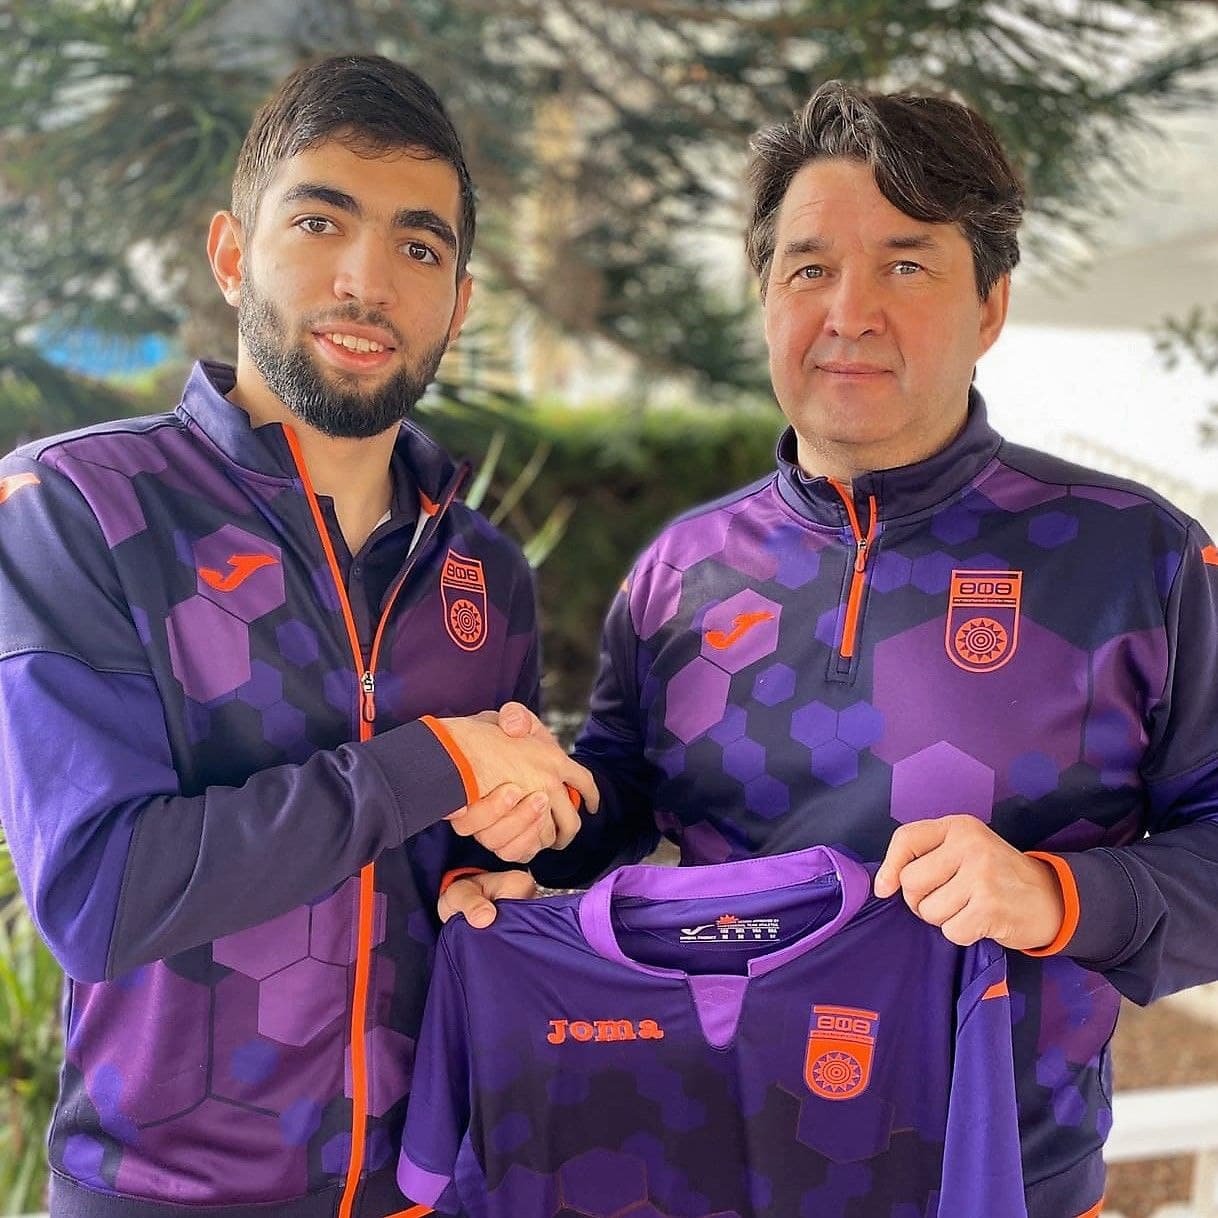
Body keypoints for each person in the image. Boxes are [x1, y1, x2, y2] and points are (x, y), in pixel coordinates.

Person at [447, 81, 1218, 1217]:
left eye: (906, 264)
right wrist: (539, 832)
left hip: (1002, 1183)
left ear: (991, 305)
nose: (850, 311)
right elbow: (617, 805)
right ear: (766, 298)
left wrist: (1055, 895)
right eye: (809, 268)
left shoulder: (1137, 558)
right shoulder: (683, 570)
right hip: (704, 1165)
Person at [0, 53, 595, 1218]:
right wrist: (440, 761)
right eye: (321, 222)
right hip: (161, 1197)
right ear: (232, 255)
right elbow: (100, 895)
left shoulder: (482, 570)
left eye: (419, 247)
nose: (366, 280)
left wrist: (511, 848)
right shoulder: (80, 511)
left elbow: (462, 879)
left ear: (459, 302)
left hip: (424, 1190)